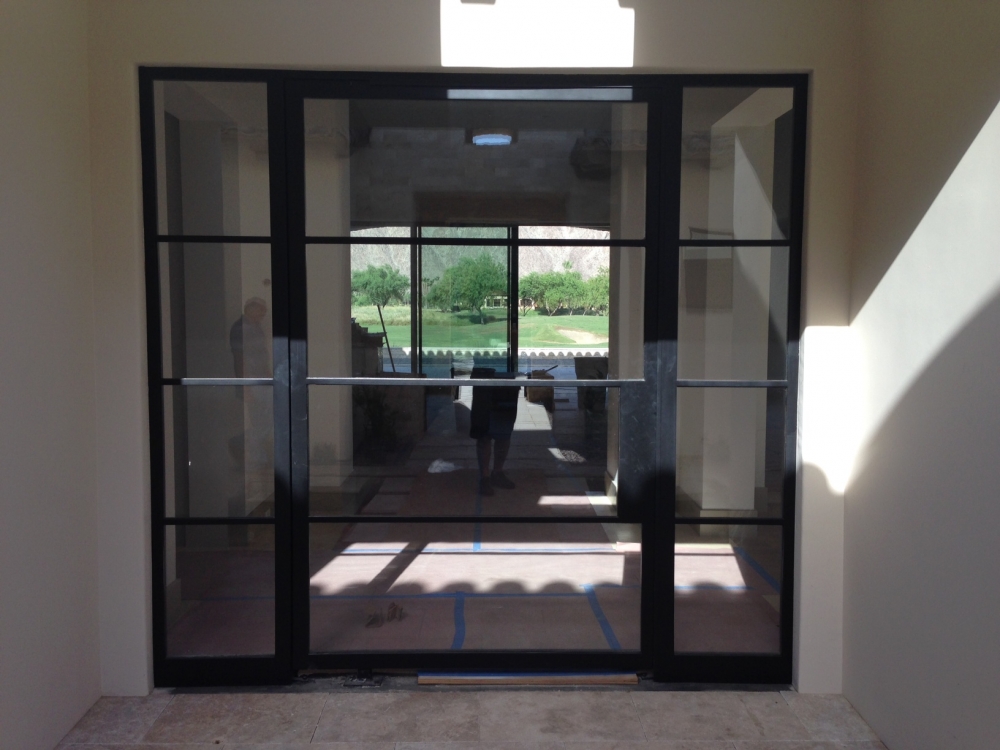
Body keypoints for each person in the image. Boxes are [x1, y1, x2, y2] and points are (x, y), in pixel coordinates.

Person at [469, 367, 519, 496]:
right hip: (484, 376)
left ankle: (497, 473)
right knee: (483, 432)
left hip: (506, 377)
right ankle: (485, 477)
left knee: (504, 432)